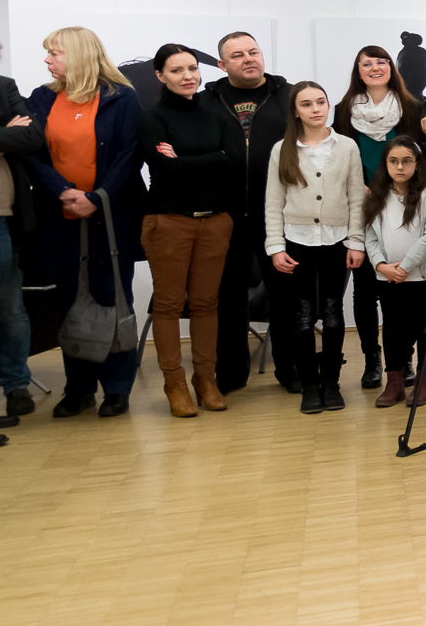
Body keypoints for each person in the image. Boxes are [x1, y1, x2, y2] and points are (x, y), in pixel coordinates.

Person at [26, 26, 146, 418]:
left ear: (78, 54)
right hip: (59, 218)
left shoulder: (121, 97)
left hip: (111, 217)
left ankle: (117, 389)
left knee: (113, 298)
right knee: (70, 303)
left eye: (54, 53)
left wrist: (96, 199)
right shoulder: (42, 98)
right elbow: (31, 153)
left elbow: (131, 155)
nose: (47, 60)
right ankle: (78, 389)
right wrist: (63, 191)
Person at [139, 44, 244, 418]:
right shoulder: (153, 118)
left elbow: (234, 163)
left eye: (192, 68)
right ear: (160, 76)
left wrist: (183, 159)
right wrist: (213, 159)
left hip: (215, 221)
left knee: (205, 303)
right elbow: (163, 169)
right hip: (169, 220)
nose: (188, 76)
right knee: (168, 305)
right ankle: (175, 383)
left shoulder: (217, 117)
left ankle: (206, 379)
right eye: (177, 70)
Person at [199, 31, 293, 394]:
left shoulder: (289, 96)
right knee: (228, 299)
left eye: (253, 51)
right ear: (222, 65)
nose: (248, 58)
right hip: (226, 216)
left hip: (280, 218)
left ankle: (291, 370)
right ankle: (231, 374)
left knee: (284, 297)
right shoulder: (206, 101)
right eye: (237, 55)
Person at [264, 82, 366, 413]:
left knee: (334, 313)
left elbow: (356, 197)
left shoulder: (346, 146)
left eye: (321, 102)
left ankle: (331, 383)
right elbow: (273, 201)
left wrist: (356, 241)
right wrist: (275, 246)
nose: (316, 109)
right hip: (298, 242)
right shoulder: (282, 149)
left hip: (337, 242)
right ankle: (309, 384)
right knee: (303, 315)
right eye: (306, 104)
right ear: (296, 111)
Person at [333, 45, 424, 391]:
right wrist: (358, 185)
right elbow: (339, 155)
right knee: (364, 291)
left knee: (403, 290)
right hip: (362, 205)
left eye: (381, 61)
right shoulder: (343, 110)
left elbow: (420, 156)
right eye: (366, 63)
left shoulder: (411, 108)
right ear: (357, 71)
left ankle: (403, 359)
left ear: (391, 67)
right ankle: (372, 359)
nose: (374, 68)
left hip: (403, 205)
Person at [0, 26, 43, 441]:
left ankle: (16, 386)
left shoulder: (2, 87)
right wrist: (2, 138)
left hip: (6, 215)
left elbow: (32, 136)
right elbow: (15, 135)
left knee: (11, 310)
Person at [361, 136, 426, 407]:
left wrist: (405, 267)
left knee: (423, 327)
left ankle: (423, 381)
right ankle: (394, 382)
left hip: (417, 275)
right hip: (387, 276)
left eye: (406, 161)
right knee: (392, 327)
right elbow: (370, 236)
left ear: (417, 164)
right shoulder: (377, 196)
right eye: (393, 161)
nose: (400, 167)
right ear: (385, 164)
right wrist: (381, 266)